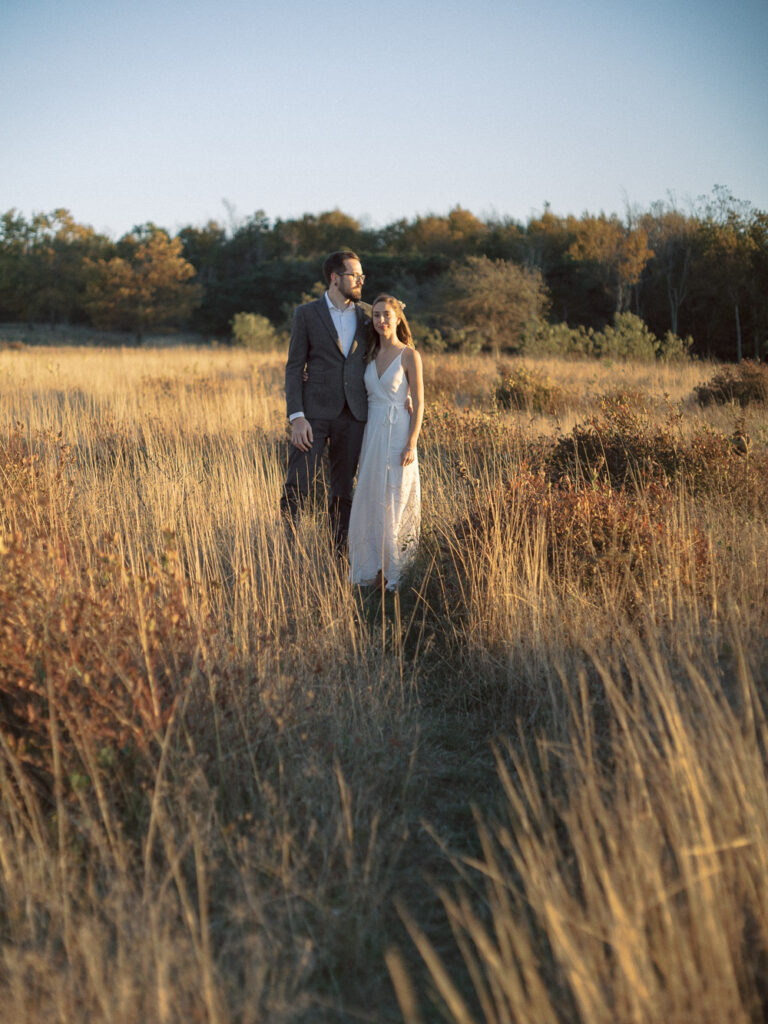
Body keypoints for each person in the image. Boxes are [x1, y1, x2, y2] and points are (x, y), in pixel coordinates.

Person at [281, 250, 370, 552]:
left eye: (362, 276)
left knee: (344, 490)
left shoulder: (370, 316)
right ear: (335, 278)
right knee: (298, 484)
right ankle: (288, 549)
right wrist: (297, 417)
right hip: (313, 415)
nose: (361, 280)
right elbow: (294, 367)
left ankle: (339, 554)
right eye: (354, 275)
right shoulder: (306, 314)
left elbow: (398, 348)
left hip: (354, 414)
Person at [348, 294, 424, 590]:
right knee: (369, 498)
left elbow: (418, 402)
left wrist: (412, 442)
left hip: (398, 433)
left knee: (394, 498)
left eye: (386, 315)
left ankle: (395, 572)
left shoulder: (409, 355)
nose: (381, 320)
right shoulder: (367, 353)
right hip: (373, 433)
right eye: (376, 315)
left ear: (397, 318)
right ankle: (370, 570)